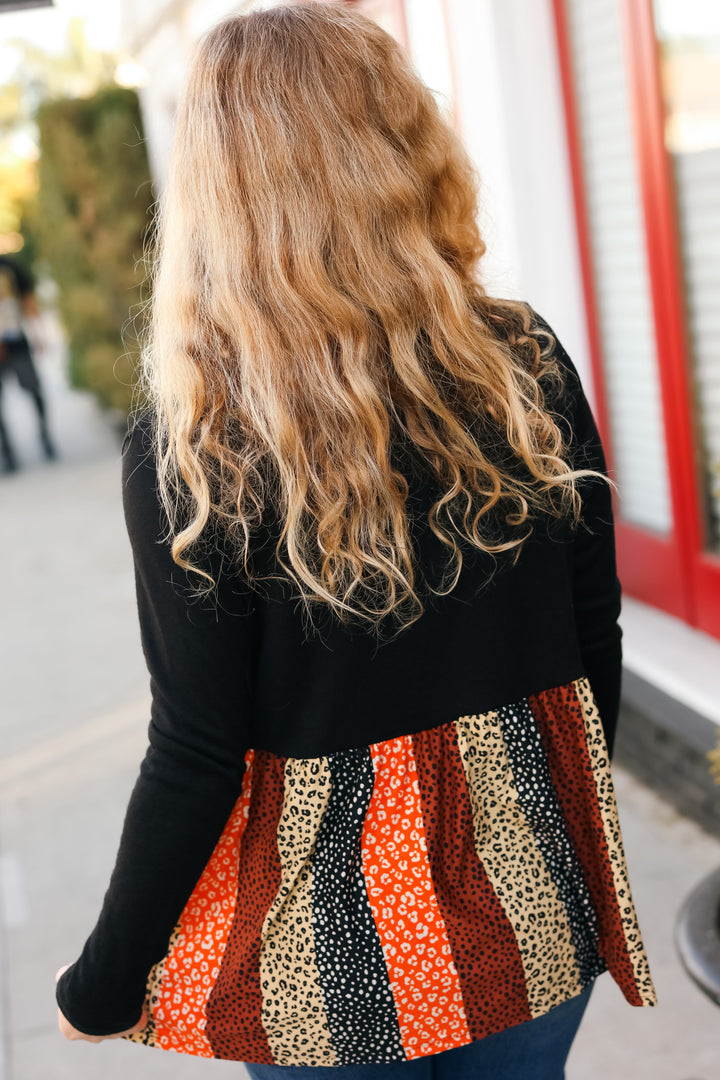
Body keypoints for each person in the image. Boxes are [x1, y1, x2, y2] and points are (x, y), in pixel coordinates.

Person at [55, 5, 657, 1077]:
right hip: (526, 905)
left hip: (323, 964)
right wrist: (561, 830)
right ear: (402, 145)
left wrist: (104, 981)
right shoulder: (519, 359)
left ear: (214, 193)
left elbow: (197, 749)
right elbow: (591, 628)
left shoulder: (195, 444)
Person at [0, 253, 57, 472]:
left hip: (15, 340)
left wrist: (37, 333)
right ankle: (8, 454)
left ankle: (45, 436)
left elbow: (27, 300)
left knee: (34, 390)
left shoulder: (9, 266)